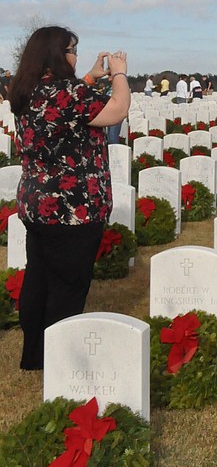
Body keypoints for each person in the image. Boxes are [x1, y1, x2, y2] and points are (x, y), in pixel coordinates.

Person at [10, 26, 130, 371]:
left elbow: (62, 113)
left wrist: (90, 78)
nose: (76, 55)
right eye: (72, 49)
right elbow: (117, 110)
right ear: (57, 54)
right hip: (73, 207)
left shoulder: (26, 90)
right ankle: (61, 359)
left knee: (39, 277)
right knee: (68, 285)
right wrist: (119, 73)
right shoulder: (69, 92)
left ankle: (33, 353)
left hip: (37, 202)